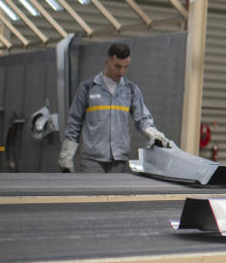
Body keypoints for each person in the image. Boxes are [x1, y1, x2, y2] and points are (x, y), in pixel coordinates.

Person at [58, 42, 170, 173]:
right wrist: (66, 155)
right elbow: (74, 123)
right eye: (117, 66)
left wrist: (154, 134)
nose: (121, 71)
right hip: (92, 161)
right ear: (107, 60)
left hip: (119, 161)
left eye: (125, 67)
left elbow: (143, 120)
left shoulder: (131, 90)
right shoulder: (88, 88)